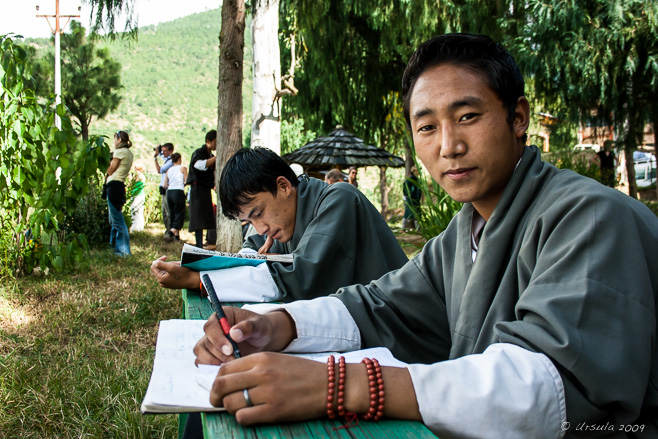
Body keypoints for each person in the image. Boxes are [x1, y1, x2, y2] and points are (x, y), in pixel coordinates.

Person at [191, 34, 658, 438]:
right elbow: (381, 305)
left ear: (519, 117)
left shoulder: (589, 217)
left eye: (469, 116)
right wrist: (278, 326)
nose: (449, 146)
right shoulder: (465, 231)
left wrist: (339, 385)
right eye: (427, 126)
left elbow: (546, 387)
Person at [151, 147, 408, 303]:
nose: (260, 228)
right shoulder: (284, 222)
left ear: (284, 186)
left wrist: (199, 280)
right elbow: (250, 248)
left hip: (399, 333)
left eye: (259, 213)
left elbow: (301, 278)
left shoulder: (339, 199)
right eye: (249, 221)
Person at [186, 130, 217, 248]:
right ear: (208, 141)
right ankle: (198, 245)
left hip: (206, 190)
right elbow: (199, 165)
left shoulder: (210, 155)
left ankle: (207, 242)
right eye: (215, 141)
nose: (216, 144)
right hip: (197, 190)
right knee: (198, 219)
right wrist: (215, 159)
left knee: (207, 219)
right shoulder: (199, 153)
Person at [105, 130, 134, 257]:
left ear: (119, 140)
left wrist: (103, 161)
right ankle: (113, 247)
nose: (114, 142)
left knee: (117, 221)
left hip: (114, 186)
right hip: (119, 186)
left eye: (115, 139)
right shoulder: (128, 153)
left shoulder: (120, 152)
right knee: (114, 219)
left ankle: (123, 252)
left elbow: (111, 171)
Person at [164, 153, 188, 242]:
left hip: (169, 192)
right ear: (179, 159)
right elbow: (187, 180)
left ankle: (176, 237)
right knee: (180, 213)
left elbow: (164, 184)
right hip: (178, 191)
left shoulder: (169, 170)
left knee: (173, 213)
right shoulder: (183, 168)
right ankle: (171, 232)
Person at [154, 143, 175, 239]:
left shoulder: (171, 162)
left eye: (165, 151)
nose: (163, 153)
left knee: (168, 212)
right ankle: (168, 230)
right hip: (164, 189)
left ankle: (170, 232)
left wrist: (155, 159)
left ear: (171, 151)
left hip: (168, 189)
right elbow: (162, 156)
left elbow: (159, 170)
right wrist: (158, 151)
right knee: (164, 211)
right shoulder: (167, 160)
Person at [402, 165, 422, 230]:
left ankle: (418, 229)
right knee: (408, 213)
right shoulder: (409, 180)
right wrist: (406, 197)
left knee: (417, 214)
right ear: (414, 171)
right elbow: (405, 189)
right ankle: (402, 228)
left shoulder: (418, 180)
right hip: (410, 200)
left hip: (416, 200)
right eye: (417, 170)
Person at [129, 163, 146, 233]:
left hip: (137, 195)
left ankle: (135, 228)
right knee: (138, 211)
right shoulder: (141, 176)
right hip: (139, 195)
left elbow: (130, 183)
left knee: (135, 211)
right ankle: (138, 228)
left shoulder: (138, 176)